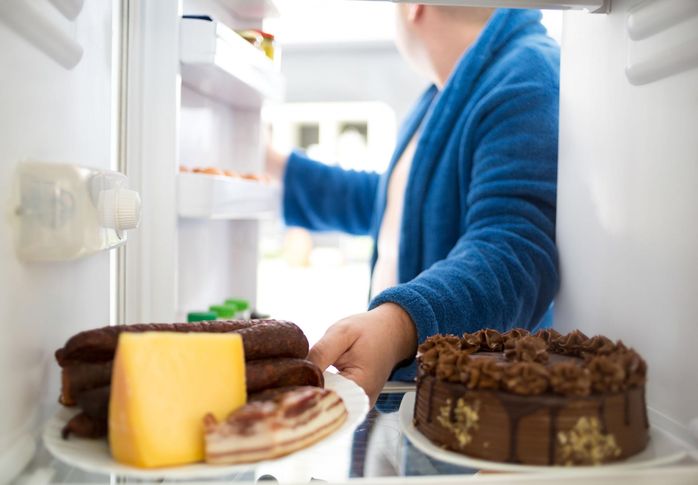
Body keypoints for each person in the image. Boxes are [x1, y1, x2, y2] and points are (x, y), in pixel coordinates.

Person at [266, 6, 560, 406]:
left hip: (478, 420)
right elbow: (398, 208)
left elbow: (514, 250)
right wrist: (281, 168)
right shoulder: (443, 93)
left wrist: (399, 324)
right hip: (416, 397)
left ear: (413, 7)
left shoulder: (528, 76)